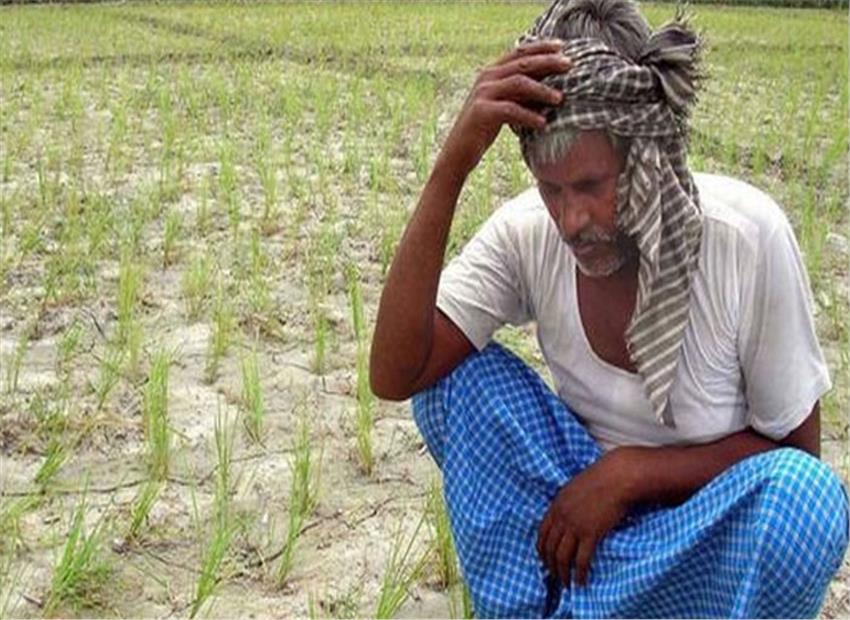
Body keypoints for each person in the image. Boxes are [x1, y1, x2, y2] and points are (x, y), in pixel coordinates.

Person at [369, 0, 850, 616]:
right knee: (450, 384)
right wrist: (452, 165)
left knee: (804, 503)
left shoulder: (746, 240)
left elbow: (798, 456)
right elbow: (396, 373)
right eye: (551, 189)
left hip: (695, 537)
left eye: (593, 186)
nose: (572, 219)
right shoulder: (526, 234)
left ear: (647, 153)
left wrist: (631, 475)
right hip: (575, 528)